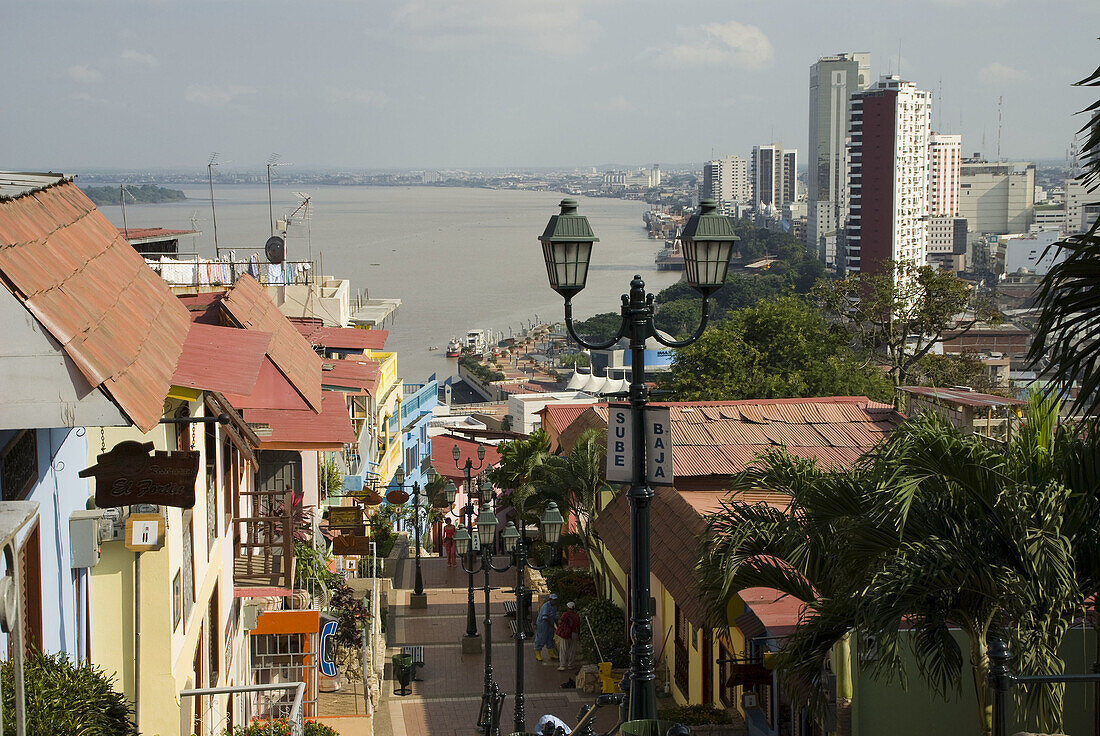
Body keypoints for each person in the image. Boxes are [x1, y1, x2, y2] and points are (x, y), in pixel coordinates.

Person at [554, 601, 581, 671]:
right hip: (574, 633)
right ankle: (570, 665)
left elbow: (560, 621)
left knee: (563, 649)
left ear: (568, 608)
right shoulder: (576, 616)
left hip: (566, 634)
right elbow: (578, 626)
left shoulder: (565, 614)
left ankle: (562, 665)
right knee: (572, 650)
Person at [534, 593, 559, 662]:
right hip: (543, 625)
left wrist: (557, 626)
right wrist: (552, 626)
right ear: (550, 599)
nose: (554, 601)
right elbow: (545, 618)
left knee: (550, 638)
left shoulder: (555, 607)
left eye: (555, 600)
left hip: (550, 624)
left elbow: (556, 617)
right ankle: (538, 653)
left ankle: (551, 653)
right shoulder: (546, 606)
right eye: (553, 600)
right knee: (541, 638)